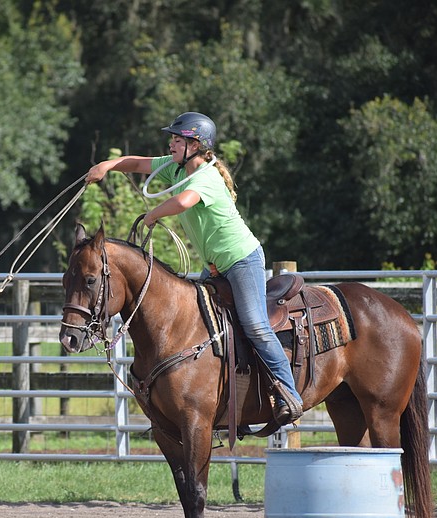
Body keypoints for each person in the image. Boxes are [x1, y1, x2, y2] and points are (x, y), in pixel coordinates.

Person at [85, 111, 303, 424]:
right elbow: (136, 163)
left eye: (177, 139)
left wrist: (153, 214)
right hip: (215, 267)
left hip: (241, 260)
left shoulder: (206, 177)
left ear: (196, 145)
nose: (171, 144)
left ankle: (288, 392)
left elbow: (185, 201)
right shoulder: (176, 169)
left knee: (255, 324)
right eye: (172, 139)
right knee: (197, 324)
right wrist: (106, 166)